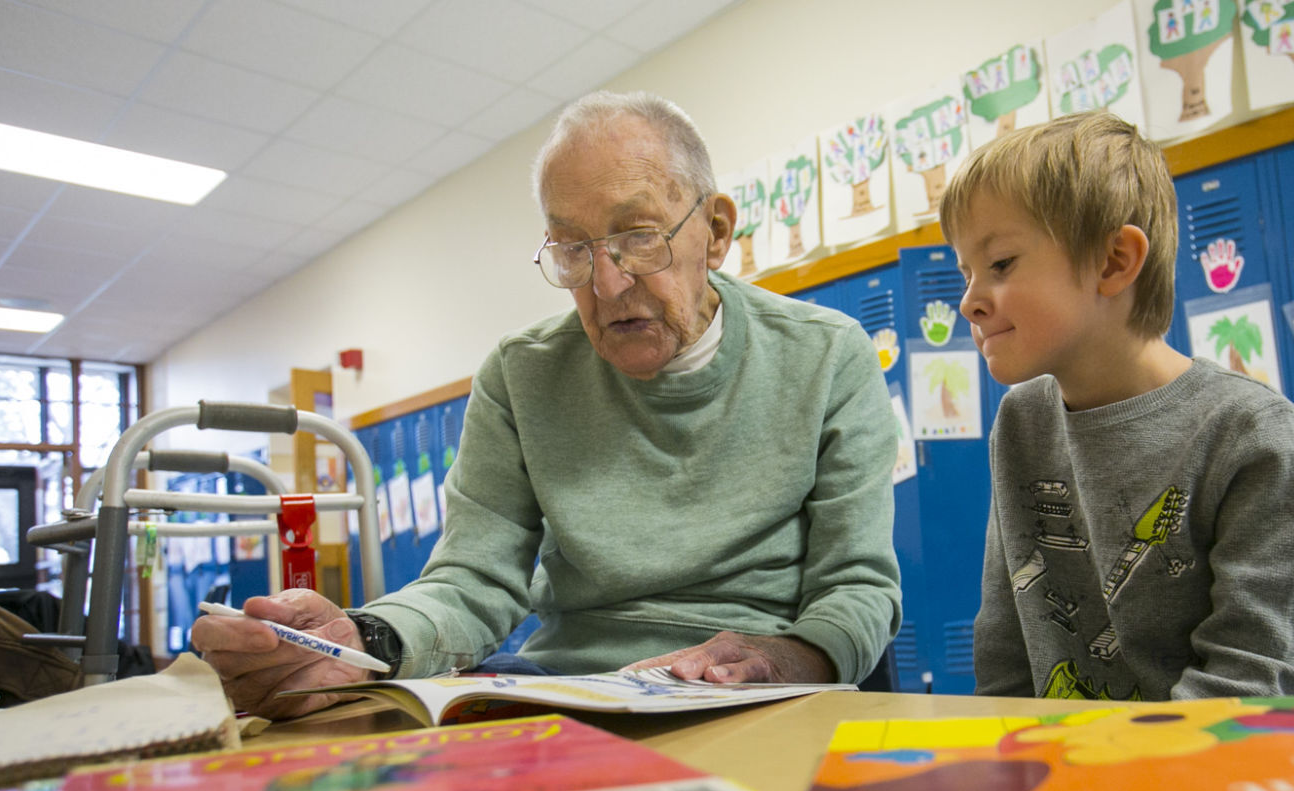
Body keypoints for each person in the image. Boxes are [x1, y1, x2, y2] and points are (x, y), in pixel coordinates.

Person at [195, 92, 901, 719]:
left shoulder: (826, 354)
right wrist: (364, 638)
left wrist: (791, 656)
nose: (607, 283)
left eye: (638, 236)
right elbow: (474, 578)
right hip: (572, 688)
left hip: (758, 694)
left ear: (714, 230)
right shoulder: (519, 374)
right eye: (571, 248)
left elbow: (858, 585)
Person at [940, 111, 1294, 703]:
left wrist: (1110, 776)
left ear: (1113, 262)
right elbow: (1006, 656)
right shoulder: (1022, 422)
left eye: (1000, 264)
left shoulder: (1251, 433)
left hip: (1248, 765)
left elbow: (1265, 683)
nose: (969, 301)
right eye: (966, 273)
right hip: (1092, 772)